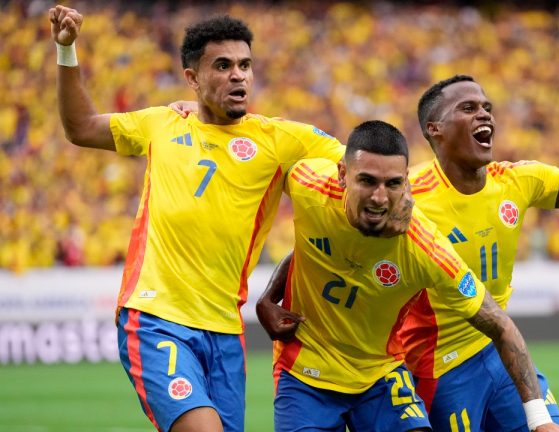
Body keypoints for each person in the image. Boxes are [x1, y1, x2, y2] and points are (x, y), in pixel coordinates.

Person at [260, 75, 559, 431]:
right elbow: (327, 242)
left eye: (487, 107)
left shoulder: (515, 182)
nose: (485, 115)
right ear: (435, 129)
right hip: (438, 362)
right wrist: (272, 295)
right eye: (468, 108)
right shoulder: (405, 197)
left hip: (496, 346)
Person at [50, 5, 410, 432]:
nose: (238, 76)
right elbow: (80, 127)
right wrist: (67, 50)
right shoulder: (162, 124)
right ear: (192, 77)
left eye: (245, 65)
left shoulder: (280, 140)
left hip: (225, 331)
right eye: (222, 66)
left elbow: (361, 164)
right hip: (155, 317)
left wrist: (402, 198)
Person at [263, 120, 559, 432]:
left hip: (380, 374)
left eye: (393, 184)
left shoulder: (425, 248)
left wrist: (540, 420)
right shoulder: (307, 184)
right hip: (305, 372)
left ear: (406, 183)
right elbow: (309, 243)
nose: (379, 197)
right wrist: (267, 297)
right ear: (342, 174)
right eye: (367, 181)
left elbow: (500, 325)